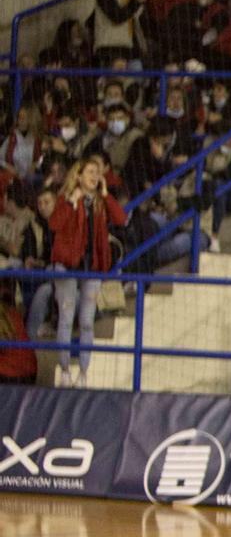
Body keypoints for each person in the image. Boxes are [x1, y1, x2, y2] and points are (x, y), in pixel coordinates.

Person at [48, 156, 127, 388]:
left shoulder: (101, 201)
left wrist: (105, 194)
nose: (94, 176)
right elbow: (54, 225)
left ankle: (83, 372)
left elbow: (121, 219)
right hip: (67, 265)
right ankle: (64, 371)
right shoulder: (66, 199)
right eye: (90, 172)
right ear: (78, 176)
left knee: (86, 322)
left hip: (91, 267)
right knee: (66, 317)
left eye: (97, 172)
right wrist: (72, 202)